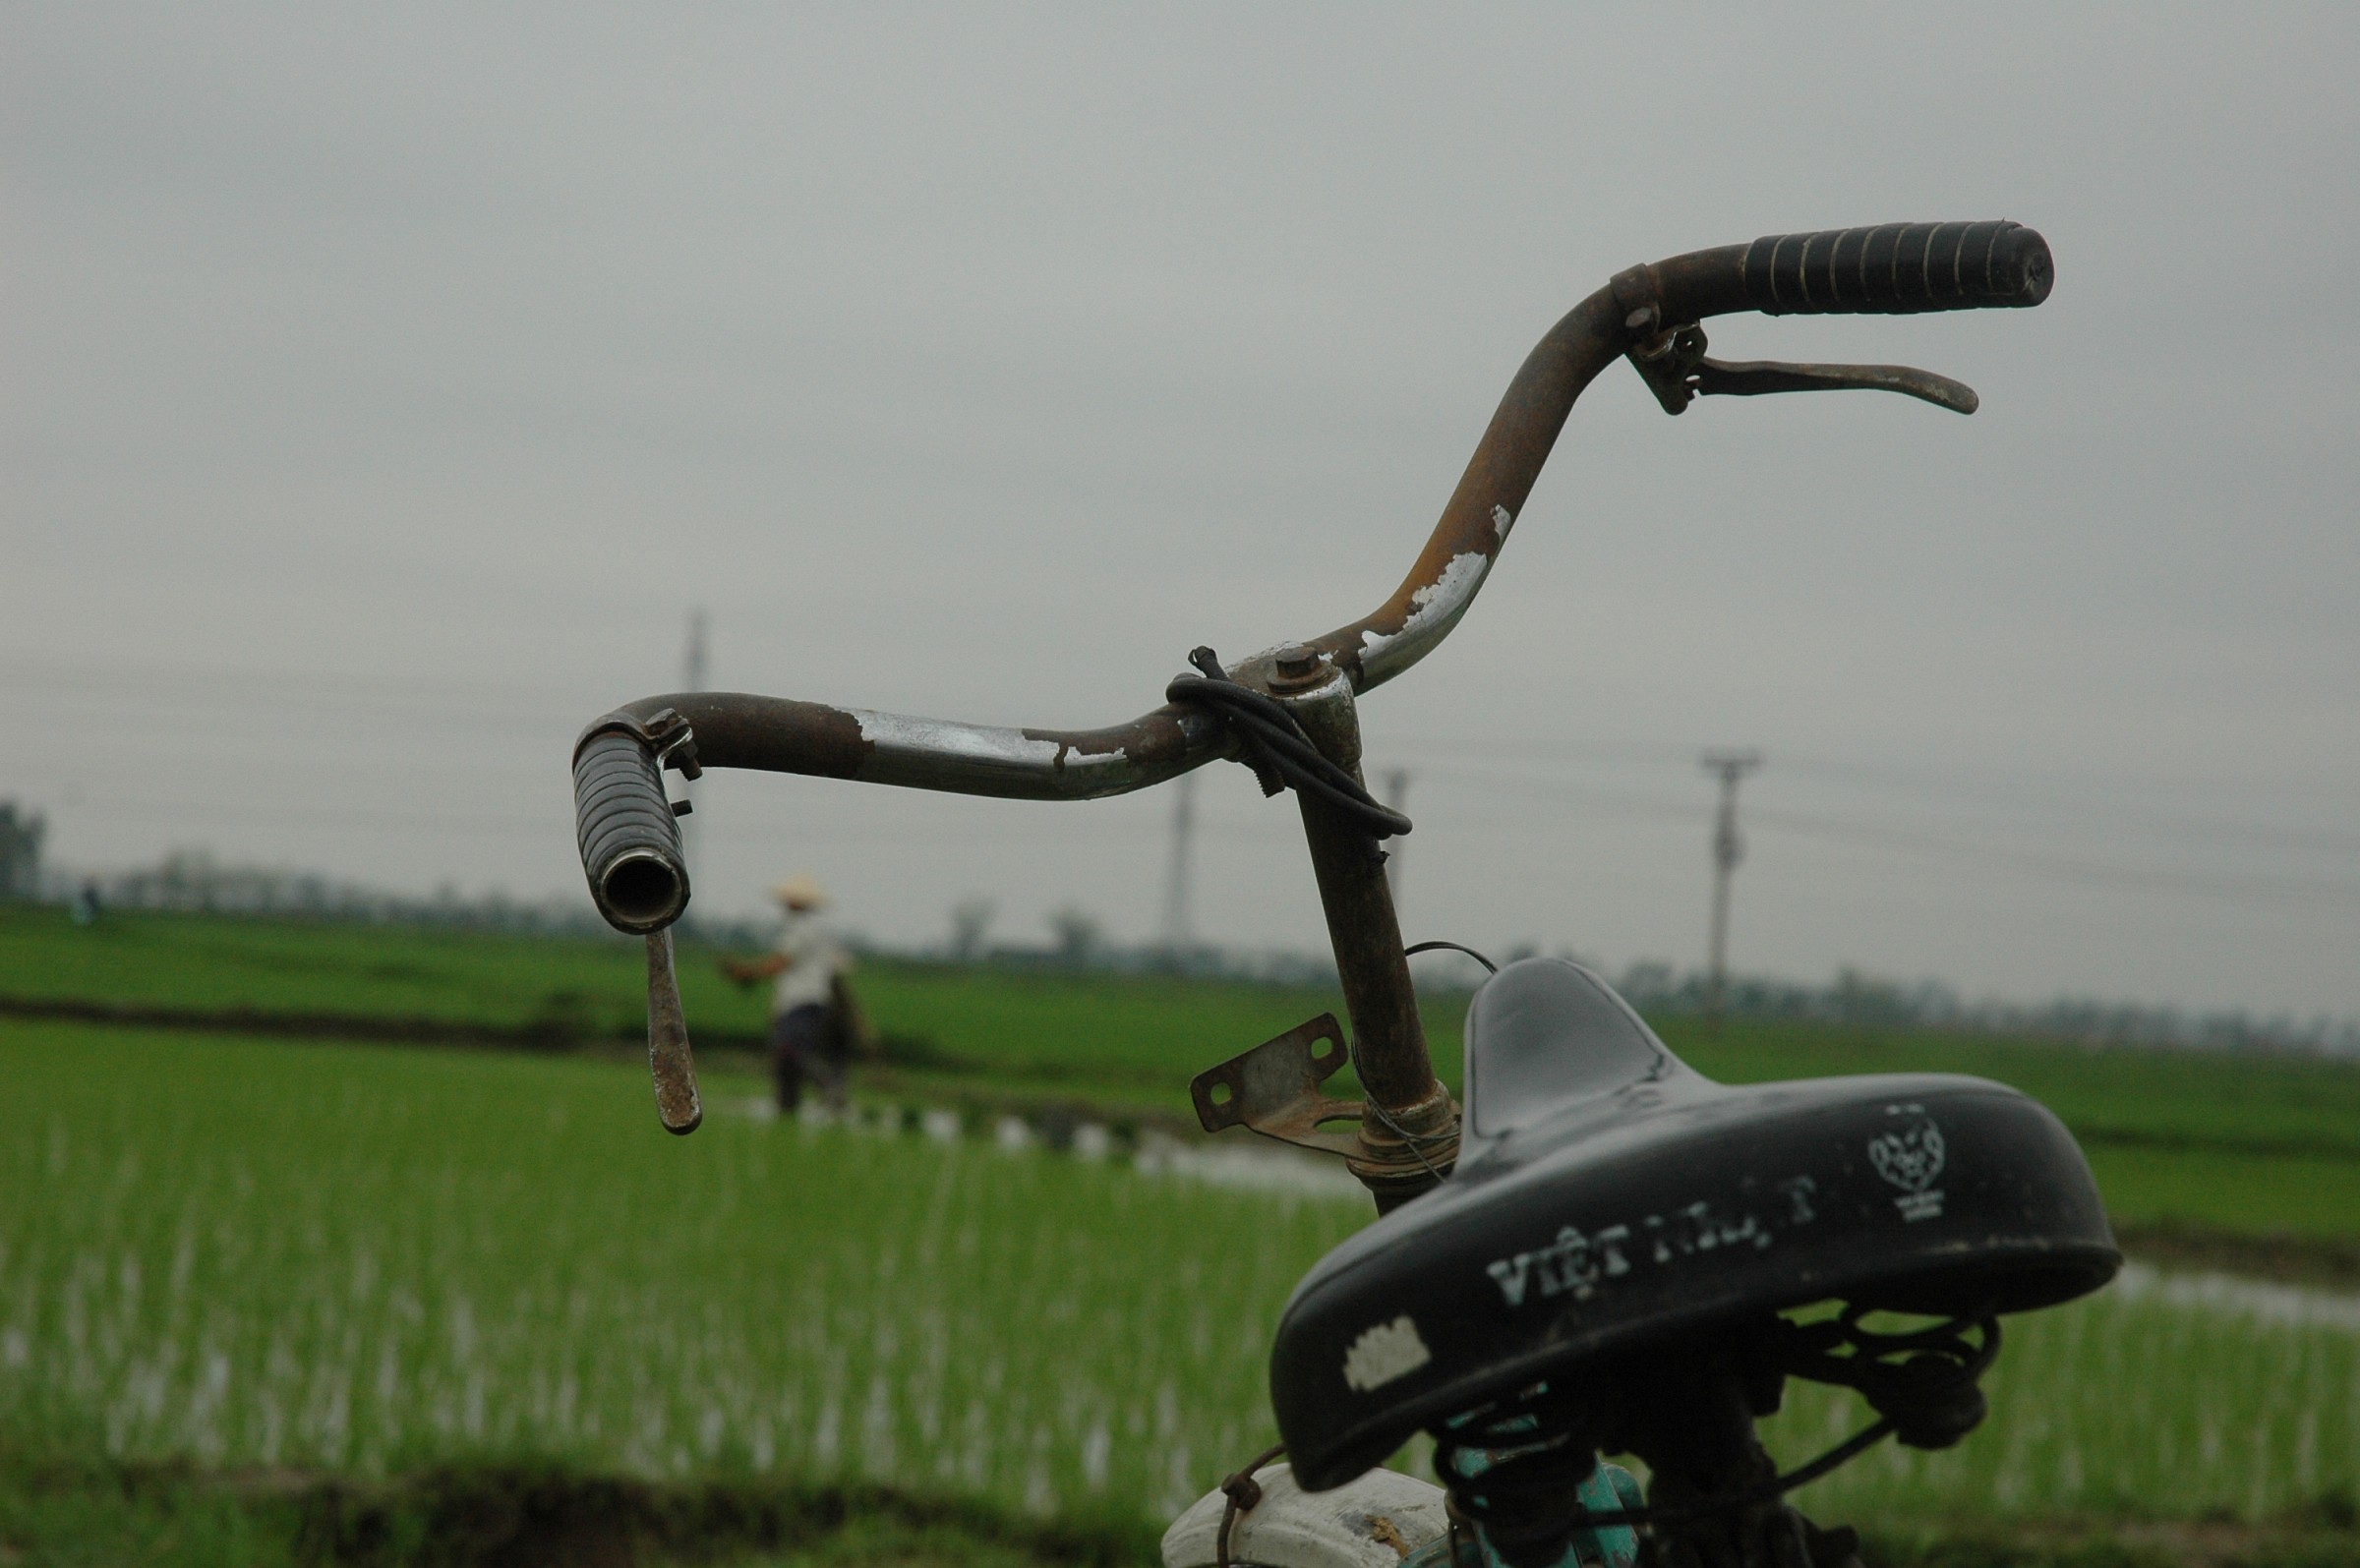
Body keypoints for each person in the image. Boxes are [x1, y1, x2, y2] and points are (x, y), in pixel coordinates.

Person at [726, 874, 855, 1114]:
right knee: (786, 1059)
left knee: (790, 1052)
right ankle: (788, 1106)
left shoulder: (800, 929)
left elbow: (779, 964)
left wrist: (747, 973)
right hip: (805, 1002)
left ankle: (828, 1085)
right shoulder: (813, 930)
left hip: (802, 1002)